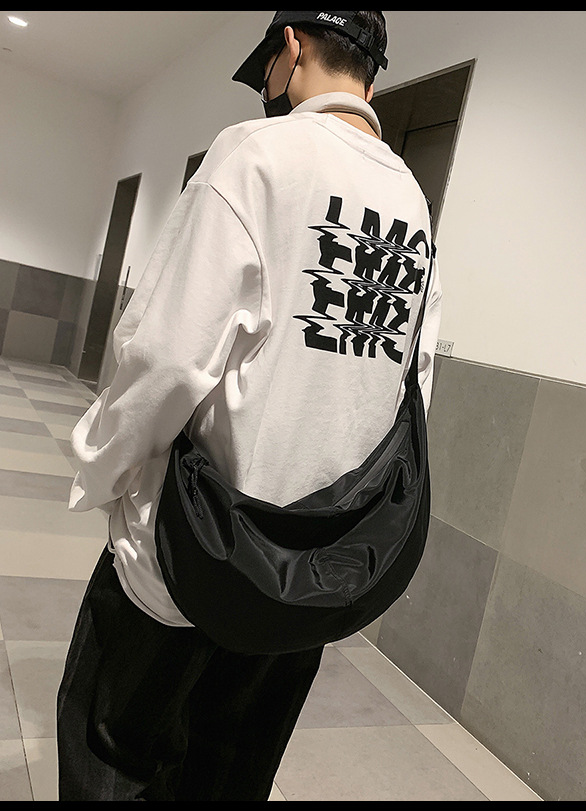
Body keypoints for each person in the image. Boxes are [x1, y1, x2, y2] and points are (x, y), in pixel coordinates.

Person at [56, 10, 442, 802]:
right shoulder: (412, 200)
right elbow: (414, 379)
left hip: (188, 560)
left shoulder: (258, 154)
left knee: (114, 751)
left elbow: (166, 354)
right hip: (313, 578)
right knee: (230, 775)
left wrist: (100, 468)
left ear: (291, 46)